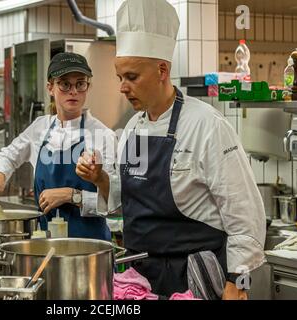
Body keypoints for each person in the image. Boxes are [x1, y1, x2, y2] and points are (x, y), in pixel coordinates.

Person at [76, 0, 266, 299]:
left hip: (194, 278)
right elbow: (126, 201)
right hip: (139, 279)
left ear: (162, 70)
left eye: (132, 77)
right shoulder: (133, 129)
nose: (122, 88)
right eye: (119, 77)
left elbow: (244, 213)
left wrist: (237, 281)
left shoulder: (206, 125)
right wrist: (101, 179)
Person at [0, 52, 116, 241]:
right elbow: (9, 155)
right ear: (50, 88)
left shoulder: (103, 136)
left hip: (91, 251)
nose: (73, 91)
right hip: (47, 246)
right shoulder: (40, 127)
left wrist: (72, 196)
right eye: (64, 84)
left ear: (88, 86)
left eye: (80, 83)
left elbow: (114, 202)